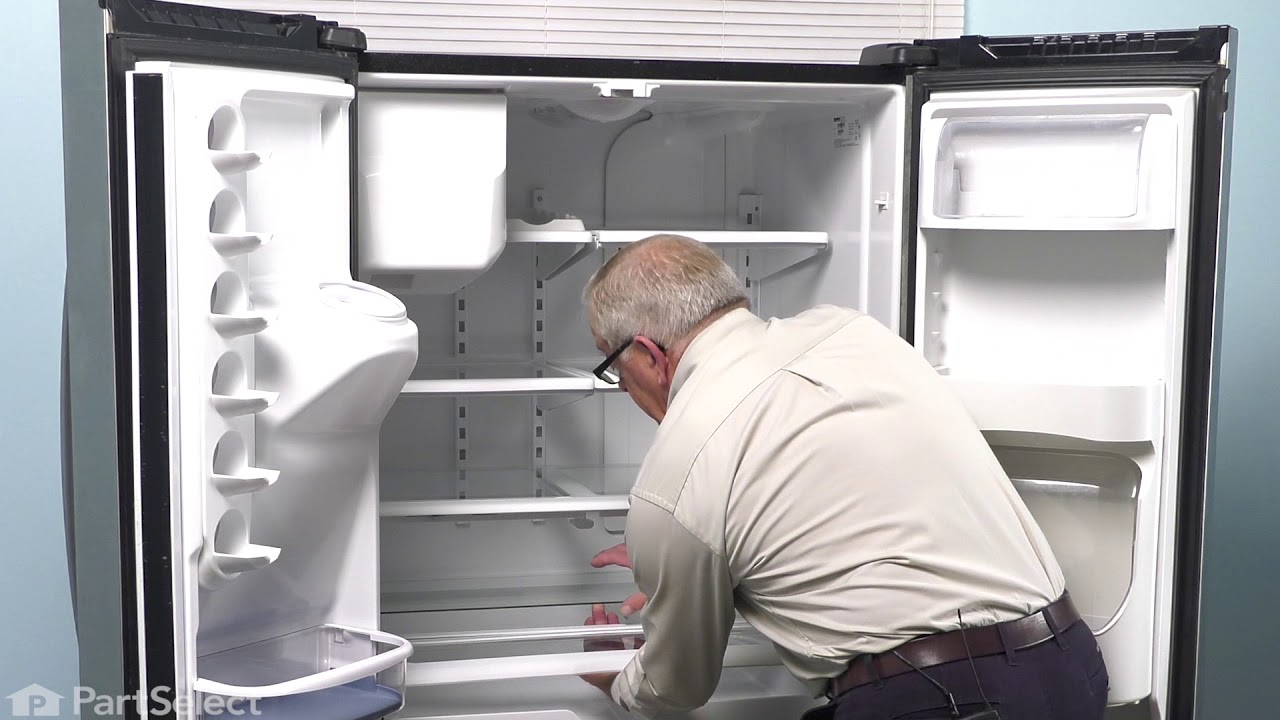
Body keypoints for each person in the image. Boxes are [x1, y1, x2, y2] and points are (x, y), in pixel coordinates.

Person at [576, 234, 1109, 719]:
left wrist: (619, 680)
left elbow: (676, 686)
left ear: (648, 355)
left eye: (612, 365)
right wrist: (695, 568)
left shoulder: (677, 475)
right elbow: (857, 497)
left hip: (942, 702)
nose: (621, 386)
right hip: (1072, 665)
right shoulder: (853, 331)